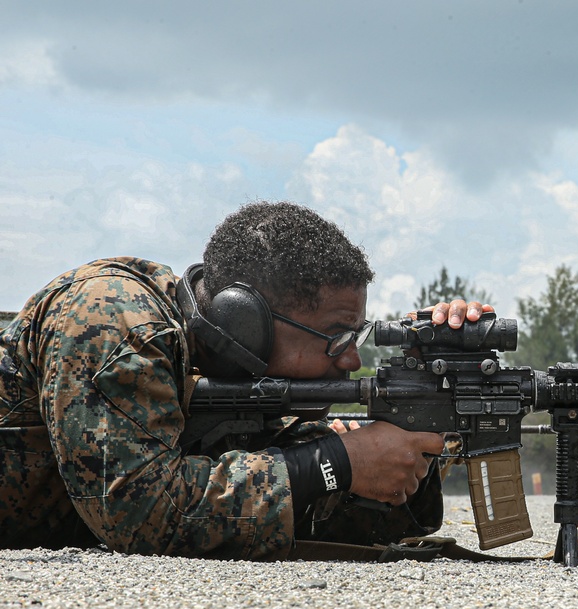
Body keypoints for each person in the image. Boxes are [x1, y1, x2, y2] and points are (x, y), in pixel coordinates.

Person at [0, 201, 492, 559]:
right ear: (244, 322)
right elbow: (142, 513)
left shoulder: (233, 372)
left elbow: (329, 522)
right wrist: (329, 462)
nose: (350, 361)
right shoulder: (114, 318)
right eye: (336, 337)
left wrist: (428, 405)